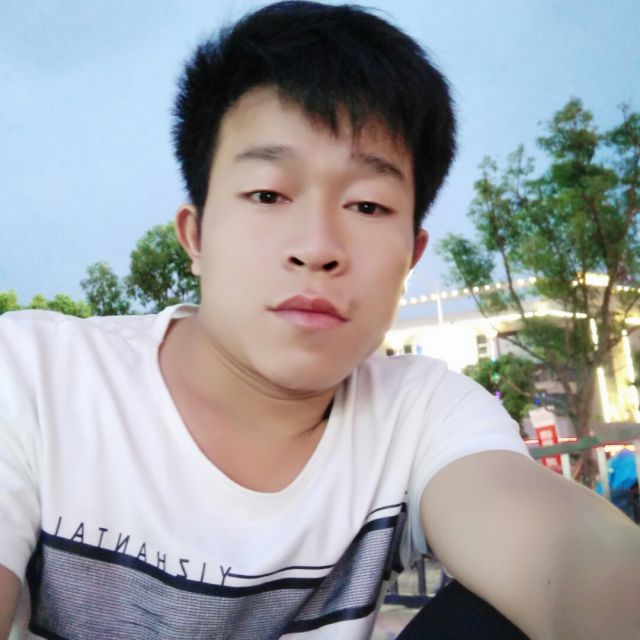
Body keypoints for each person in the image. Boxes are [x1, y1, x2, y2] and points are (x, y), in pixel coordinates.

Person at [1, 2, 639, 638]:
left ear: (411, 257)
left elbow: (567, 552)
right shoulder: (36, 378)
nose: (317, 247)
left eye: (367, 205)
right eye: (268, 194)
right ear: (195, 235)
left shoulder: (421, 415)